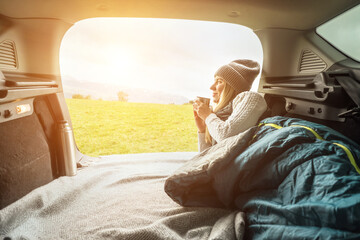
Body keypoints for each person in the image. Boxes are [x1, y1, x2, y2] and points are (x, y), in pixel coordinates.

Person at [193, 59, 268, 152]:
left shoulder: (251, 98)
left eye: (219, 82)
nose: (211, 87)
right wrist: (202, 130)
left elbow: (226, 136)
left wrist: (208, 116)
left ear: (233, 87)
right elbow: (206, 156)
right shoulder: (219, 116)